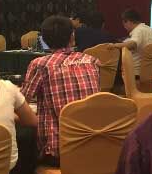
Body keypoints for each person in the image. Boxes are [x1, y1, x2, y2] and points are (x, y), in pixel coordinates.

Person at [21, 16, 100, 165]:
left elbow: (22, 102)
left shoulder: (40, 64)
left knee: (22, 137)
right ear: (72, 36)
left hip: (58, 152)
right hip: (92, 145)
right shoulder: (92, 61)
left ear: (44, 39)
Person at [112, 9, 152, 76]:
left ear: (128, 21)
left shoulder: (138, 30)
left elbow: (132, 44)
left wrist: (114, 45)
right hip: (151, 72)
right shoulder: (151, 30)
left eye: (124, 23)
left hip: (137, 72)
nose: (124, 26)